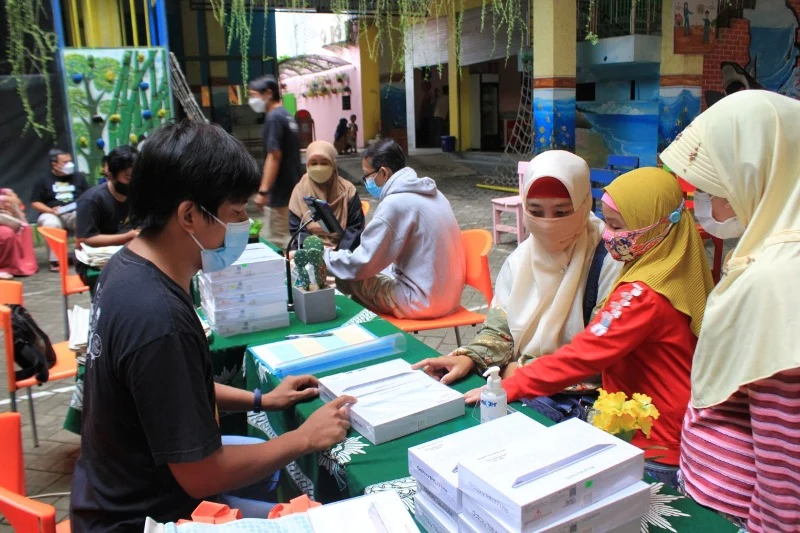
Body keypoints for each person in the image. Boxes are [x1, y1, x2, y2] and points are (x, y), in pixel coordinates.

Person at [70, 121, 355, 532]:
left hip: (117, 489)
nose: (245, 224)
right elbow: (202, 474)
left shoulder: (127, 267)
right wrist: (305, 438)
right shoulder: (159, 317)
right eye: (236, 212)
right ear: (189, 215)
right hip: (141, 517)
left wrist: (263, 400)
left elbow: (175, 389)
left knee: (269, 463)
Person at [465, 167, 715, 487]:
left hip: (651, 439)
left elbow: (585, 354)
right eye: (606, 222)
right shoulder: (672, 266)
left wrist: (516, 383)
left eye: (617, 226)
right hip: (664, 427)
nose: (608, 234)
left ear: (657, 226)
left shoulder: (641, 292)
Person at [661, 90, 800, 532]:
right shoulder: (772, 254)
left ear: (757, 174)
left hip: (737, 515)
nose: (706, 204)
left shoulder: (778, 282)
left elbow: (788, 464)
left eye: (713, 187)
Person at [413, 151, 621, 388]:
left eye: (562, 212)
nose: (547, 223)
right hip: (514, 386)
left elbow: (602, 355)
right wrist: (469, 357)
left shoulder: (609, 261)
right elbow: (499, 331)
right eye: (535, 211)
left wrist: (522, 372)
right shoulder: (520, 260)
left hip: (573, 400)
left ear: (585, 205)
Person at [325, 138, 465, 319]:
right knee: (376, 272)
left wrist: (324, 257)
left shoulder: (395, 204)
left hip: (422, 302)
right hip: (451, 298)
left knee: (346, 277)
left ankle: (360, 333)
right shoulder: (435, 193)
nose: (367, 183)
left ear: (383, 172)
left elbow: (362, 263)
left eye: (367, 176)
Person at [248, 75, 302, 249]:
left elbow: (274, 155)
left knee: (278, 242)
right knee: (291, 236)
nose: (252, 100)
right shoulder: (287, 116)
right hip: (292, 190)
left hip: (280, 194)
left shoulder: (273, 118)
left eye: (254, 95)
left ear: (268, 93)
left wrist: (263, 191)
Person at [75, 146, 139, 283]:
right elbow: (83, 240)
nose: (132, 182)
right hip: (96, 262)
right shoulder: (91, 200)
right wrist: (127, 237)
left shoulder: (138, 195)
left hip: (130, 253)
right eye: (127, 177)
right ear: (110, 175)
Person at [288, 141, 365, 251]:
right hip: (308, 249)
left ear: (333, 165)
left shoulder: (348, 190)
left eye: (324, 163)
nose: (319, 168)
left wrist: (337, 254)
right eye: (313, 163)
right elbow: (296, 227)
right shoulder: (300, 190)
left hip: (342, 250)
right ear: (307, 165)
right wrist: (315, 250)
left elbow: (354, 228)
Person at [31, 148, 90, 271]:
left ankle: (86, 255)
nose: (69, 164)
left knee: (84, 216)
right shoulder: (43, 180)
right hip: (53, 213)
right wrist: (50, 210)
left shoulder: (79, 177)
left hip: (75, 211)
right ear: (54, 164)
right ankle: (56, 261)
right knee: (50, 223)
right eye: (65, 162)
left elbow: (89, 195)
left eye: (70, 161)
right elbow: (35, 202)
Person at [0, 188, 38, 279]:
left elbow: (23, 221)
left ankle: (19, 266)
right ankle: (3, 268)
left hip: (6, 221)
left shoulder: (6, 192)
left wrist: (14, 208)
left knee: (26, 229)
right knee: (6, 233)